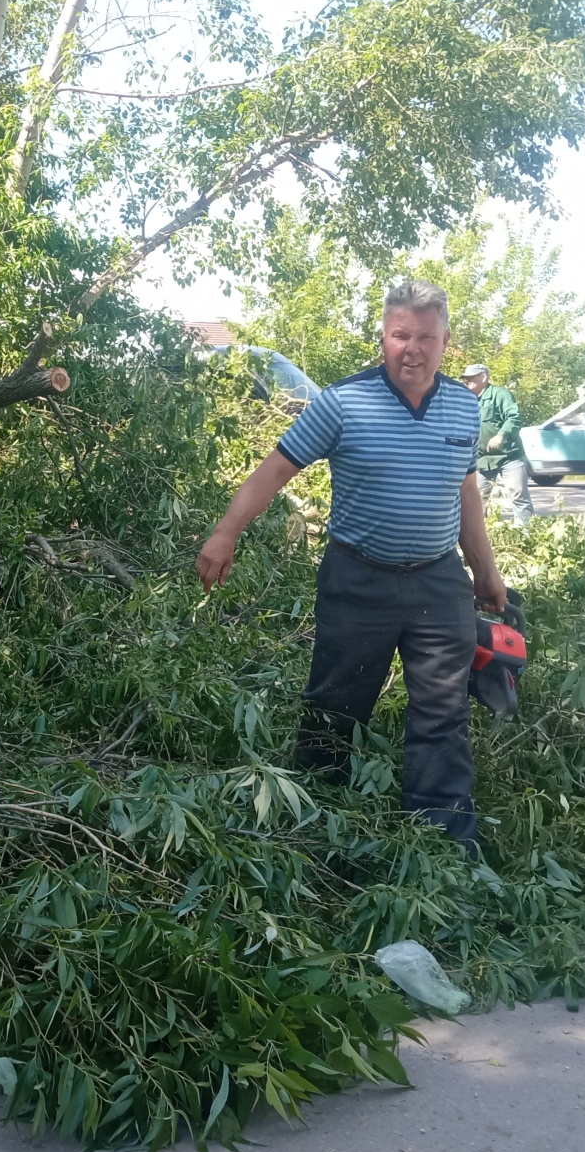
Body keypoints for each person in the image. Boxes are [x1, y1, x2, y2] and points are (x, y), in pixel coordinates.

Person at [195, 279, 508, 848]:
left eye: (426, 337)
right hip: (357, 576)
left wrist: (483, 569)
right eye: (399, 335)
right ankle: (315, 826)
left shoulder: (464, 406)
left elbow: (465, 493)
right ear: (383, 335)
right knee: (336, 703)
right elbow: (275, 470)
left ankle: (443, 844)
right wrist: (224, 533)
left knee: (442, 712)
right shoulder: (344, 401)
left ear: (445, 342)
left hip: (439, 582)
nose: (412, 348)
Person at [461, 364, 534, 528]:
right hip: (481, 460)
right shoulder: (466, 399)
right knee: (477, 501)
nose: (467, 382)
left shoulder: (500, 395)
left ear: (484, 377)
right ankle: (483, 538)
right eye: (466, 379)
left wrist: (501, 435)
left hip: (509, 457)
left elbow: (514, 418)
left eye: (471, 379)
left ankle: (527, 535)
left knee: (518, 494)